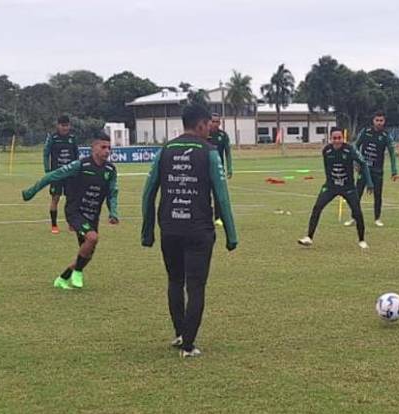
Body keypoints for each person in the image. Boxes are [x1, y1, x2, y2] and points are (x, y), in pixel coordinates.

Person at [141, 105, 238, 358]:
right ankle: (189, 345)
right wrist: (231, 234)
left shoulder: (165, 150)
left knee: (175, 281)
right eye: (209, 125)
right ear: (201, 125)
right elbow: (222, 197)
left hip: (170, 229)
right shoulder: (209, 152)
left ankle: (180, 334)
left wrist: (147, 230)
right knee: (196, 287)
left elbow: (148, 191)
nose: (210, 130)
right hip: (198, 230)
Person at [22, 132, 119, 290]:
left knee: (87, 253)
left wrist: (113, 212)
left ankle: (62, 278)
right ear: (93, 148)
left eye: (109, 148)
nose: (107, 151)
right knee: (92, 238)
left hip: (92, 215)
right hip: (75, 212)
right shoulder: (80, 165)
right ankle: (78, 272)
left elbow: (112, 193)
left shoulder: (110, 169)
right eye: (103, 147)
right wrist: (31, 192)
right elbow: (53, 176)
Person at [298, 128, 372, 249]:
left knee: (357, 212)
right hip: (331, 186)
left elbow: (363, 163)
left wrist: (369, 182)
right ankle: (309, 237)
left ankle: (362, 240)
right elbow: (328, 169)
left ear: (343, 138)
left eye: (339, 138)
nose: (337, 141)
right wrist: (329, 183)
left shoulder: (350, 149)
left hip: (348, 187)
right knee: (317, 207)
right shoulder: (326, 151)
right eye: (334, 138)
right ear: (330, 139)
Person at [349, 111, 398, 227]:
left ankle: (377, 218)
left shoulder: (386, 136)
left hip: (377, 171)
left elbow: (392, 153)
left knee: (378, 195)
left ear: (384, 121)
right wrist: (356, 161)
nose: (379, 123)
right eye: (377, 120)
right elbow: (355, 146)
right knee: (357, 194)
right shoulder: (365, 132)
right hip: (363, 169)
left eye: (381, 120)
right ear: (373, 121)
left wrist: (394, 171)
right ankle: (353, 217)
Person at [42, 115, 79, 234]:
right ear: (58, 125)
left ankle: (71, 224)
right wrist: (48, 170)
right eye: (63, 126)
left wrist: (77, 170)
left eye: (67, 125)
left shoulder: (72, 138)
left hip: (70, 175)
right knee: (55, 198)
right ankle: (54, 225)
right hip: (56, 174)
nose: (65, 128)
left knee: (71, 199)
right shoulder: (53, 138)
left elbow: (77, 155)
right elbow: (46, 154)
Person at [208, 113, 232, 226]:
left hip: (218, 170)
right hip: (204, 169)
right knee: (204, 194)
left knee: (218, 194)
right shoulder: (204, 135)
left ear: (220, 123)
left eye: (217, 122)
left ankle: (218, 217)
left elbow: (227, 153)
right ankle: (206, 217)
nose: (215, 124)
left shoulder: (223, 135)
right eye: (213, 121)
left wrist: (230, 168)